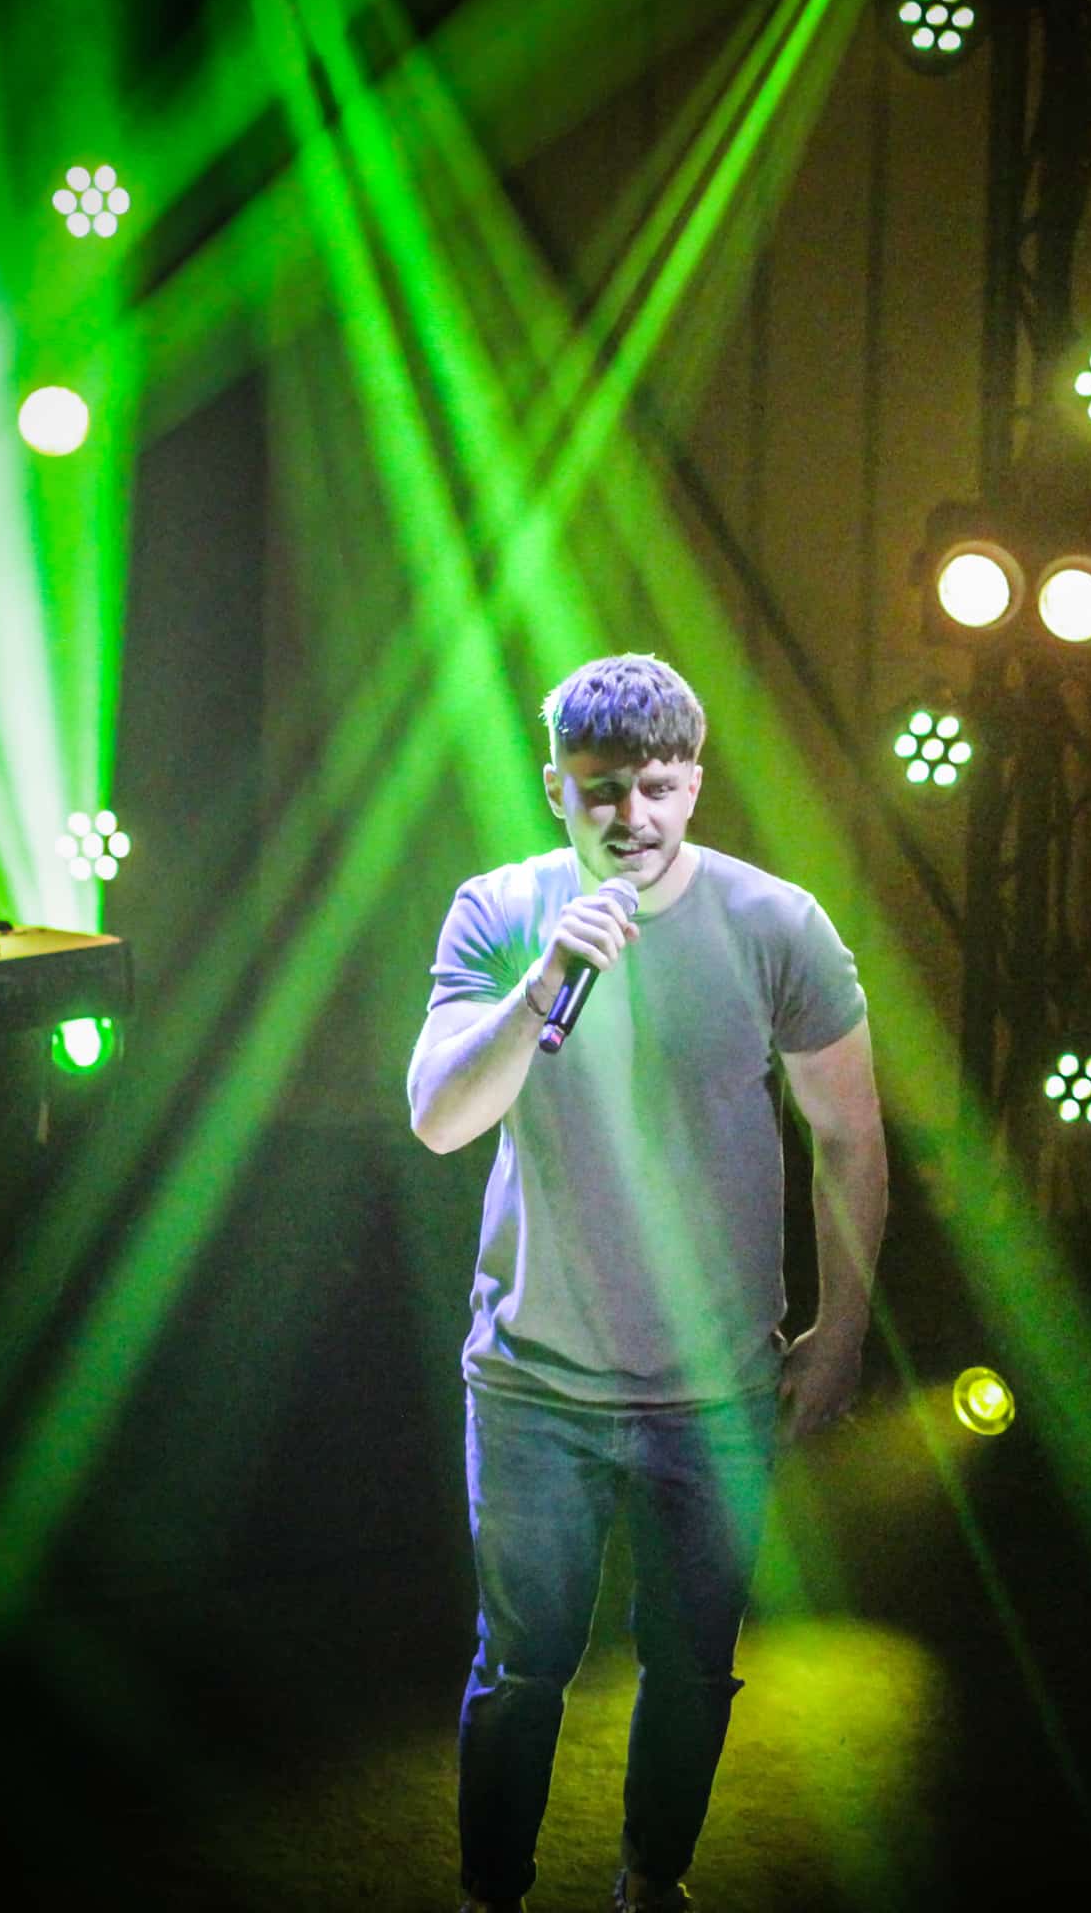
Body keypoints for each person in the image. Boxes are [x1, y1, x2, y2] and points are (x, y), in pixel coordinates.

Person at [408, 653, 885, 1913]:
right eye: (605, 788)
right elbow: (440, 1120)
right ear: (554, 785)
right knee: (521, 1668)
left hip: (712, 1383)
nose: (634, 815)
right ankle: (491, 1894)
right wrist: (539, 984)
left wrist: (841, 1329)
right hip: (534, 1379)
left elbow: (849, 1133)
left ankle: (650, 1880)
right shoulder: (500, 910)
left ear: (696, 783)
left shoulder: (775, 922)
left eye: (660, 786)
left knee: (693, 1668)